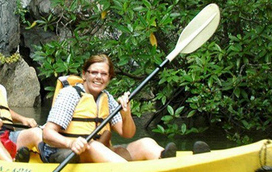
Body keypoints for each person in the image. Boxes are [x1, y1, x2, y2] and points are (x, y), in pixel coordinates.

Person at [39, 54, 177, 164]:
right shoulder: (70, 94)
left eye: (104, 74)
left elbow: (127, 134)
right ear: (84, 75)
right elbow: (47, 134)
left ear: (109, 78)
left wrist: (126, 114)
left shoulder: (107, 98)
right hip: (64, 152)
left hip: (99, 149)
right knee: (93, 146)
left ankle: (165, 161)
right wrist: (71, 143)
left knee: (146, 143)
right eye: (94, 72)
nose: (99, 77)